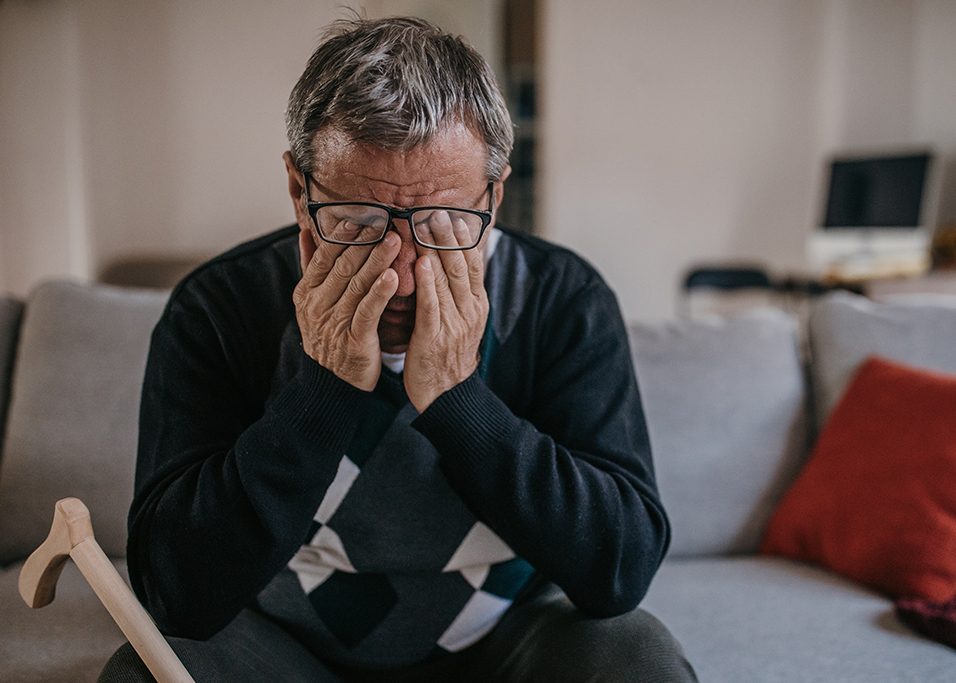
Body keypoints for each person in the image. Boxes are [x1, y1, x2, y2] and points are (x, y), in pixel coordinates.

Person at [100, 16, 698, 683]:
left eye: (443, 224)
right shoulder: (217, 305)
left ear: (493, 198)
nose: (403, 276)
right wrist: (322, 389)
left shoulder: (563, 300)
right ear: (300, 192)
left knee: (639, 660)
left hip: (504, 645)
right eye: (360, 225)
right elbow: (173, 591)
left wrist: (458, 399)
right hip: (287, 648)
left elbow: (619, 569)